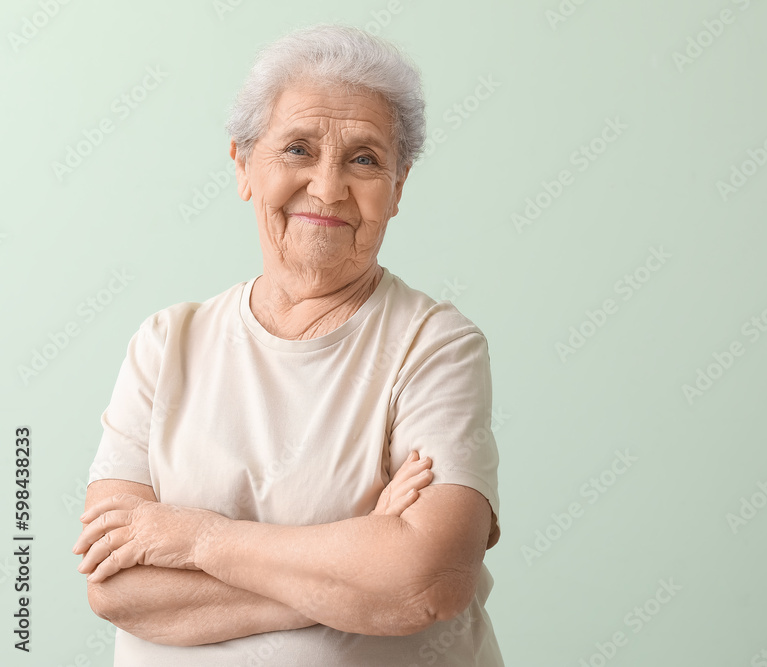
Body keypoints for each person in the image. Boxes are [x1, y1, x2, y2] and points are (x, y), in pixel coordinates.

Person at [71, 23, 503, 666]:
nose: (328, 188)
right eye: (298, 149)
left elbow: (430, 582)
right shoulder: (165, 346)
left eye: (364, 158)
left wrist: (197, 541)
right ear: (244, 165)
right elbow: (115, 588)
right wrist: (356, 574)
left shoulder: (436, 346)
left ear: (399, 186)